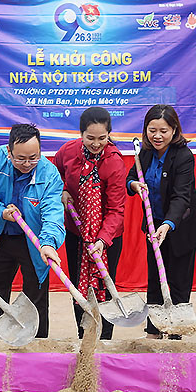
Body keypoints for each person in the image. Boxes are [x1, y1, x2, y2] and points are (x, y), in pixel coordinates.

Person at [0, 123, 64, 339]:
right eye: (20, 158)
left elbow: (53, 212)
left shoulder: (49, 173)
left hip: (36, 241)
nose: (27, 164)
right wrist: (0, 210)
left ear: (40, 152)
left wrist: (49, 243)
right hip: (4, 234)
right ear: (9, 152)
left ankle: (36, 340)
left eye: (33, 158)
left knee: (36, 291)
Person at [127, 104, 196, 339]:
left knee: (178, 281)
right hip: (153, 227)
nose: (157, 136)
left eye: (163, 130)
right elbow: (132, 176)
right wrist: (134, 185)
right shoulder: (144, 152)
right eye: (152, 130)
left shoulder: (183, 156)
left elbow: (181, 196)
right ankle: (154, 330)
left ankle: (176, 333)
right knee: (155, 278)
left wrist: (167, 224)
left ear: (174, 130)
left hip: (179, 226)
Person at [54, 107, 126, 340]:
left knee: (104, 285)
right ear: (81, 133)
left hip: (107, 238)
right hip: (76, 232)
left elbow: (116, 210)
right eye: (90, 138)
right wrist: (63, 190)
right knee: (79, 285)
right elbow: (55, 174)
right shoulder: (68, 152)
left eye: (102, 138)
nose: (96, 144)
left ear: (109, 135)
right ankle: (84, 336)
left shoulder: (114, 162)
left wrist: (102, 241)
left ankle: (104, 339)